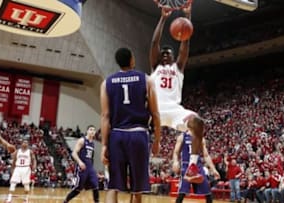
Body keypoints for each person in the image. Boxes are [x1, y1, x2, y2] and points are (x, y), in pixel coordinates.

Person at [149, 3, 203, 181]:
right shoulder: (155, 66)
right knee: (130, 122)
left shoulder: (178, 67)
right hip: (154, 110)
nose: (165, 54)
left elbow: (184, 44)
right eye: (162, 53)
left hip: (174, 110)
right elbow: (154, 42)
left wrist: (188, 17)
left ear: (173, 57)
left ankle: (193, 167)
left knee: (197, 122)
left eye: (168, 53)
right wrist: (163, 18)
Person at [100, 47, 161, 203]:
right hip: (138, 135)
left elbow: (105, 116)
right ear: (132, 59)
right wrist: (157, 140)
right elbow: (155, 114)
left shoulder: (106, 83)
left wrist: (104, 145)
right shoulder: (146, 79)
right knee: (137, 189)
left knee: (113, 187)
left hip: (117, 135)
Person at [172, 116, 220, 203]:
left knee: (207, 192)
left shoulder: (201, 139)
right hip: (186, 166)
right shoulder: (182, 136)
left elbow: (206, 155)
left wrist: (213, 169)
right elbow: (176, 152)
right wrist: (175, 162)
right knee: (182, 192)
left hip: (198, 166)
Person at [63, 125, 100, 203]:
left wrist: (94, 171)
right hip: (82, 167)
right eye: (91, 129)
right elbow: (74, 153)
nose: (92, 131)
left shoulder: (92, 143)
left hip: (90, 168)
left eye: (94, 130)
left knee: (95, 185)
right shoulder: (82, 140)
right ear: (87, 131)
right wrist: (80, 162)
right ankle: (65, 201)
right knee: (78, 188)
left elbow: (91, 158)